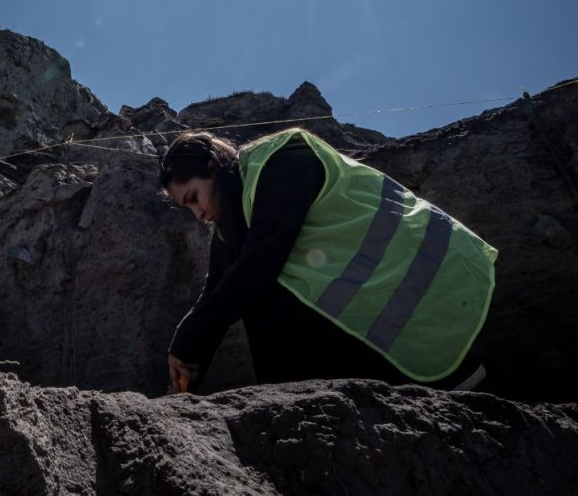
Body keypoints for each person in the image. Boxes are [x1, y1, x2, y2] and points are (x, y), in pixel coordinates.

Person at [159, 127, 496, 395]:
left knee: (266, 290)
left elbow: (258, 266)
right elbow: (216, 292)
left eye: (193, 198)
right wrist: (186, 357)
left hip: (424, 268)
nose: (199, 214)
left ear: (212, 167)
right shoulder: (233, 220)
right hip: (376, 292)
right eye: (187, 209)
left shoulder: (280, 161)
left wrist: (193, 337)